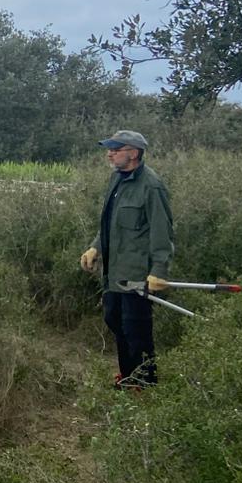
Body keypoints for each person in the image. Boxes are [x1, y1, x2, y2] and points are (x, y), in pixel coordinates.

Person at [79, 129, 173, 389]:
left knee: (136, 330)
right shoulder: (116, 180)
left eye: (116, 149)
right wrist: (95, 248)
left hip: (137, 273)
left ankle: (144, 383)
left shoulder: (151, 186)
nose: (109, 154)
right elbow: (109, 222)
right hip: (114, 271)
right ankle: (128, 374)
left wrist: (159, 270)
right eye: (109, 149)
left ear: (133, 153)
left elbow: (162, 231)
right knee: (115, 320)